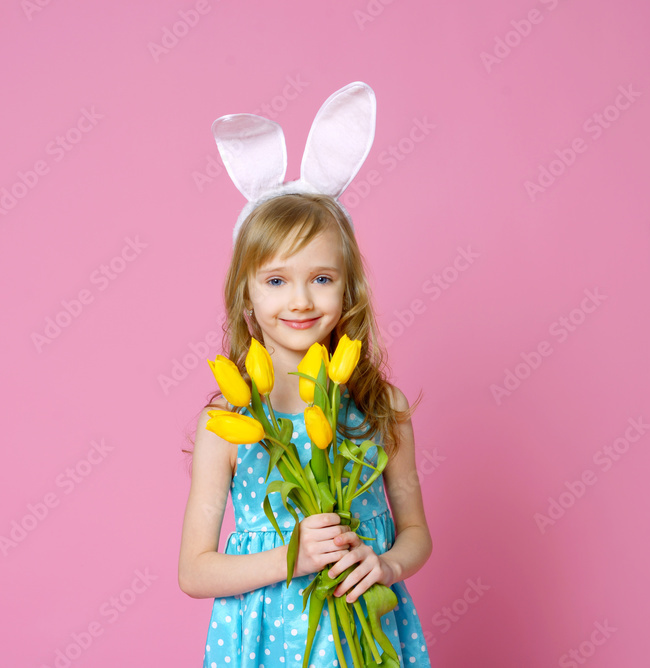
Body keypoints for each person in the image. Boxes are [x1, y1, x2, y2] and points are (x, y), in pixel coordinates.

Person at [178, 82, 432, 667]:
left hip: (362, 636)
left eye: (321, 278)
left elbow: (415, 529)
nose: (300, 300)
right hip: (267, 646)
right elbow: (195, 570)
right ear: (246, 295)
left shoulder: (379, 408)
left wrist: (388, 564)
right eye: (276, 280)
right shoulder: (228, 425)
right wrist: (291, 558)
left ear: (349, 291)